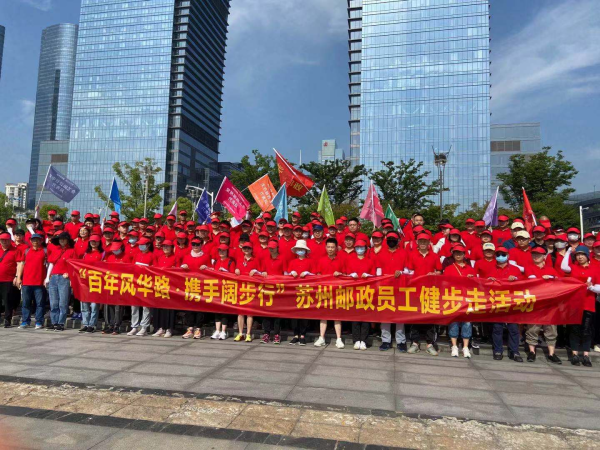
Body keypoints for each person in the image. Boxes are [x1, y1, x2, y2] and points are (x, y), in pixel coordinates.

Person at [561, 246, 598, 367]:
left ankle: (586, 355)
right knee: (574, 329)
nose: (580, 257)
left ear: (587, 256)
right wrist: (568, 251)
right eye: (577, 255)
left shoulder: (595, 269)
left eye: (582, 254)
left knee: (586, 330)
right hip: (574, 304)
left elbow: (599, 287)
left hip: (588, 304)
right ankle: (575, 354)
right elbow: (563, 267)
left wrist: (590, 287)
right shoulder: (573, 267)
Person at [404, 233, 441, 355]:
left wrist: (435, 274)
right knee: (415, 318)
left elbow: (440, 271)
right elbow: (408, 272)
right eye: (421, 241)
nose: (423, 243)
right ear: (417, 243)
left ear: (429, 242)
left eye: (425, 241)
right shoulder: (412, 255)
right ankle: (415, 343)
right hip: (416, 291)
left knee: (430, 318)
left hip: (430, 291)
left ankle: (430, 344)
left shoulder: (434, 256)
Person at [524, 247, 562, 364]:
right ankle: (532, 351)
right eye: (534, 254)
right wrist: (543, 279)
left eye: (539, 255)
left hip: (549, 304)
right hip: (535, 303)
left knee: (551, 328)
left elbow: (560, 282)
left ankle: (551, 353)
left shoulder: (551, 269)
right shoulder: (528, 268)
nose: (536, 257)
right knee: (533, 328)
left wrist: (551, 278)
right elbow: (529, 282)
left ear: (544, 256)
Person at [488, 247, 523, 362]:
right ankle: (498, 350)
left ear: (508, 256)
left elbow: (523, 283)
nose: (500, 256)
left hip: (511, 302)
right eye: (498, 254)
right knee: (497, 328)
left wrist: (515, 279)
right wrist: (489, 280)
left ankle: (514, 351)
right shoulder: (491, 268)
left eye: (503, 254)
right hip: (497, 301)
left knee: (513, 329)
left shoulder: (515, 269)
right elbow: (484, 283)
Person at [377, 231, 408, 352]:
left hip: (400, 288)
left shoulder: (403, 253)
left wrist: (401, 272)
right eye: (389, 239)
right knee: (385, 315)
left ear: (398, 241)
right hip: (385, 288)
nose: (391, 241)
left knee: (399, 315)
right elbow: (378, 271)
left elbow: (409, 270)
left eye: (393, 239)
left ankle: (401, 341)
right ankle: (386, 341)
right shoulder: (381, 253)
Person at [442, 245, 475, 358]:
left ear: (464, 255)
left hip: (467, 299)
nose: (458, 255)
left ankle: (465, 347)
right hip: (454, 298)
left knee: (467, 323)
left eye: (460, 253)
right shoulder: (449, 268)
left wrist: (472, 279)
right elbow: (445, 283)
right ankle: (454, 346)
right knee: (454, 322)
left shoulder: (470, 269)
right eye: (456, 253)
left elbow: (476, 284)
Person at [314, 238, 345, 349]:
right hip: (324, 291)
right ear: (326, 247)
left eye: (332, 247)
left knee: (337, 316)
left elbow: (346, 275)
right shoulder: (321, 260)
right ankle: (321, 337)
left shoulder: (341, 260)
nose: (330, 249)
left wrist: (340, 273)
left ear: (336, 248)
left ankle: (339, 338)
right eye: (328, 247)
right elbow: (317, 275)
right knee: (323, 315)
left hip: (337, 292)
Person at [346, 240, 375, 350]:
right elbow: (346, 275)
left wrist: (368, 275)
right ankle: (356, 340)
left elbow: (374, 276)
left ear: (365, 249)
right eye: (357, 247)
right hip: (354, 292)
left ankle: (364, 340)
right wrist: (350, 275)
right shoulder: (350, 260)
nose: (359, 249)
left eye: (361, 247)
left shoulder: (370, 261)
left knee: (365, 317)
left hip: (366, 292)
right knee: (355, 317)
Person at [44, 232, 75, 332]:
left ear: (67, 240)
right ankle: (54, 322)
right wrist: (47, 277)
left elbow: (73, 265)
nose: (62, 240)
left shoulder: (71, 251)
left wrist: (70, 275)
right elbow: (51, 264)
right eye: (60, 239)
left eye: (64, 239)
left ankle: (61, 323)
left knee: (63, 302)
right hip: (53, 277)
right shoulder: (56, 250)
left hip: (64, 278)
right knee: (53, 302)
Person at [16, 233, 46, 329]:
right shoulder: (26, 251)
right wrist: (18, 277)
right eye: (33, 240)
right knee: (26, 303)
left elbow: (49, 265)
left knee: (39, 303)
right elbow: (21, 264)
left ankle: (39, 322)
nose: (35, 241)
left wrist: (46, 279)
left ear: (41, 241)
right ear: (30, 241)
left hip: (39, 282)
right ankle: (25, 321)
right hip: (26, 282)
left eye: (37, 239)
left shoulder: (45, 251)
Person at [233, 242, 262, 342]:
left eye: (248, 248)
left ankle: (248, 333)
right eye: (244, 248)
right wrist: (236, 270)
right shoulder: (239, 259)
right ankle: (240, 333)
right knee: (240, 313)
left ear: (251, 250)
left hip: (251, 288)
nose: (246, 250)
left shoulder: (255, 260)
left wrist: (256, 272)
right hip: (240, 288)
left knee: (249, 313)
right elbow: (235, 272)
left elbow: (261, 273)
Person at [287, 240, 313, 345]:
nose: (300, 251)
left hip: (306, 290)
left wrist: (307, 273)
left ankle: (303, 334)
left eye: (302, 249)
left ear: (305, 251)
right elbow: (286, 275)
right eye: (299, 249)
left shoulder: (310, 262)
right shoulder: (292, 262)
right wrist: (291, 273)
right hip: (294, 290)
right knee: (294, 313)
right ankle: (295, 334)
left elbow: (316, 275)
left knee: (304, 313)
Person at [127, 237, 154, 337]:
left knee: (146, 307)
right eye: (139, 245)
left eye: (142, 245)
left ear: (148, 245)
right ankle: (134, 326)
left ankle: (144, 327)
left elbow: (155, 269)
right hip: (136, 283)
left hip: (147, 283)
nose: (140, 246)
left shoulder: (152, 255)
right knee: (134, 306)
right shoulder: (137, 254)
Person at [260, 240, 286, 344]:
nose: (271, 249)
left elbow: (285, 273)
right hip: (267, 288)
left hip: (278, 289)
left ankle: (276, 334)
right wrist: (263, 272)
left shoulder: (282, 259)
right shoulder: (266, 259)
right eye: (269, 248)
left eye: (273, 248)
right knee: (266, 311)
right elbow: (262, 271)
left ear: (277, 248)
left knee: (277, 312)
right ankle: (266, 333)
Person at [152, 240, 178, 338]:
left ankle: (169, 328)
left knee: (169, 308)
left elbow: (178, 271)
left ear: (172, 248)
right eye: (164, 246)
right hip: (160, 285)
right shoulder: (160, 257)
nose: (165, 248)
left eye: (168, 246)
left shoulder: (175, 257)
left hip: (171, 286)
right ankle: (160, 328)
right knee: (159, 307)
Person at [210, 244, 236, 340]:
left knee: (224, 310)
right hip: (217, 287)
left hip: (226, 288)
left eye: (223, 250)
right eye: (220, 250)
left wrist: (226, 272)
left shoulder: (230, 262)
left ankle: (224, 331)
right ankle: (217, 330)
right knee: (217, 309)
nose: (221, 252)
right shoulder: (216, 261)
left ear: (227, 251)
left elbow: (233, 275)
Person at [79, 235, 103, 333]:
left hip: (96, 281)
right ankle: (85, 323)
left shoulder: (102, 253)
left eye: (95, 241)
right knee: (84, 304)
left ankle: (92, 325)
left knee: (94, 305)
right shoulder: (86, 253)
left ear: (99, 242)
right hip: (85, 281)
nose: (93, 243)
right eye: (92, 241)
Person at [103, 241, 127, 334]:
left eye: (116, 249)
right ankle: (109, 324)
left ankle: (117, 325)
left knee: (118, 306)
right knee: (108, 305)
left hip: (120, 284)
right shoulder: (110, 257)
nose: (115, 251)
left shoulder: (126, 257)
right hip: (110, 283)